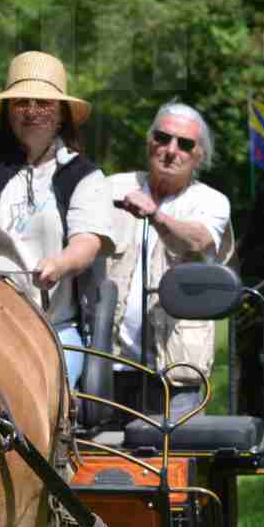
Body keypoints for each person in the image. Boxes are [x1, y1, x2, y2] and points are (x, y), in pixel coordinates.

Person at [0, 50, 114, 388]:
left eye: (43, 102)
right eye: (21, 102)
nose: (32, 111)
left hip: (54, 329)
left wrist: (61, 263)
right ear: (7, 113)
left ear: (62, 114)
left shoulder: (85, 176)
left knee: (41, 391)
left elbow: (87, 242)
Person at [107, 102, 234, 419]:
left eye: (185, 144)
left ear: (199, 155)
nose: (170, 150)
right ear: (150, 141)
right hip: (106, 360)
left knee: (174, 462)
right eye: (162, 138)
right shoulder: (110, 187)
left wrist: (156, 216)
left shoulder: (212, 201)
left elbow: (197, 240)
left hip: (177, 369)